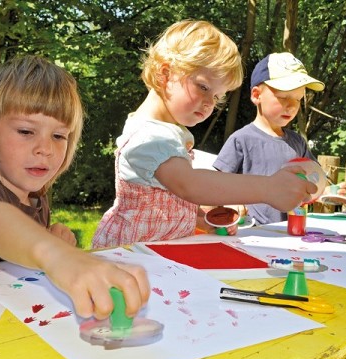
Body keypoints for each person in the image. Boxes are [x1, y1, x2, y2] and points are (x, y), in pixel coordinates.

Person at [0, 55, 150, 320]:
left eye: (59, 136)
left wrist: (47, 235)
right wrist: (57, 255)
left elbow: (18, 245)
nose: (45, 149)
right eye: (25, 131)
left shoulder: (36, 195)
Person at [92, 21, 317, 249]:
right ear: (165, 74)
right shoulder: (150, 135)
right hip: (128, 256)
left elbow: (168, 197)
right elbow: (189, 185)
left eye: (218, 97)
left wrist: (200, 218)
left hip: (154, 253)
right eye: (204, 87)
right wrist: (268, 188)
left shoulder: (167, 132)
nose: (210, 103)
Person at [213, 52, 340, 225]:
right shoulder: (241, 140)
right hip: (252, 234)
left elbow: (313, 180)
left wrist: (327, 192)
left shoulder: (298, 142)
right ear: (257, 95)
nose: (292, 106)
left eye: (298, 99)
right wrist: (232, 203)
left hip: (291, 231)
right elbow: (216, 185)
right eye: (283, 97)